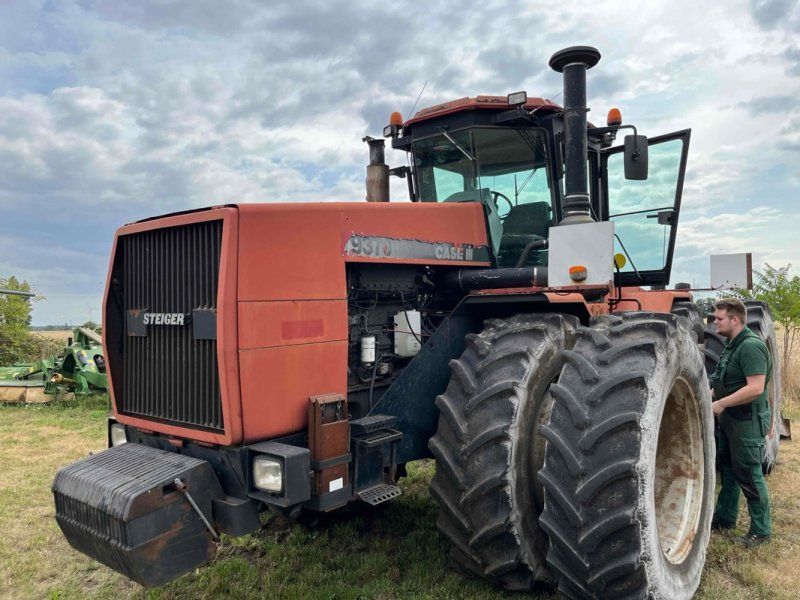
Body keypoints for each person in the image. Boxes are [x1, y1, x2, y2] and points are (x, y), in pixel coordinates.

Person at [710, 298, 772, 546]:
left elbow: (755, 388)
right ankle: (725, 518)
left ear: (734, 320)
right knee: (729, 469)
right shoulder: (731, 344)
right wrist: (709, 396)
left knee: (749, 473)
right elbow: (723, 379)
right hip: (731, 421)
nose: (715, 322)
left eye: (719, 318)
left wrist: (722, 404)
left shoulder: (750, 347)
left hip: (746, 420)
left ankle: (761, 531)